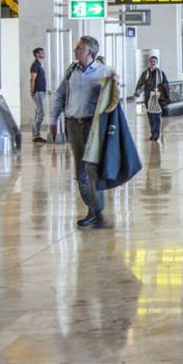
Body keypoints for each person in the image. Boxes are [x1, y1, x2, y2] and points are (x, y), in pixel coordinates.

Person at [52, 36, 113, 226]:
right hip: (73, 125)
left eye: (79, 48)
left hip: (92, 126)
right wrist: (53, 119)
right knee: (80, 172)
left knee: (92, 169)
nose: (75, 50)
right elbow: (60, 94)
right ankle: (93, 209)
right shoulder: (72, 71)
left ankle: (96, 211)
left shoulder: (103, 72)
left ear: (90, 52)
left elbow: (112, 101)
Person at [134, 53, 169, 143]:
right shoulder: (145, 73)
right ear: (149, 63)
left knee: (156, 115)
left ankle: (156, 132)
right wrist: (137, 91)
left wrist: (161, 89)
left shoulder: (161, 73)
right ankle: (153, 132)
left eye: (154, 61)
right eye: (151, 61)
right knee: (150, 115)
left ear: (157, 63)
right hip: (148, 97)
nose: (153, 63)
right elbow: (140, 83)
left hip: (158, 97)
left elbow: (165, 84)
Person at [29, 47, 49, 143]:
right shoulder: (35, 65)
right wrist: (32, 91)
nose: (44, 53)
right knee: (41, 114)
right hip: (38, 92)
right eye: (42, 52)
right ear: (37, 54)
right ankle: (36, 135)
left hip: (42, 92)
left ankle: (36, 135)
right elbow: (32, 79)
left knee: (38, 113)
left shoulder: (40, 65)